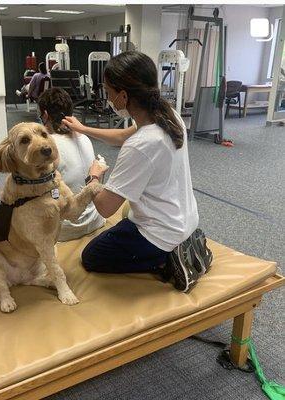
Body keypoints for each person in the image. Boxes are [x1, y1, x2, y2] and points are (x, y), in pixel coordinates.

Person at [62, 51, 213, 293]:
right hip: (185, 218)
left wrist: (94, 176)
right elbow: (122, 136)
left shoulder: (141, 145)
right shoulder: (167, 114)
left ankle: (167, 260)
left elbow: (104, 207)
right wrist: (83, 128)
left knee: (91, 256)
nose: (108, 98)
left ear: (123, 95)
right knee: (127, 213)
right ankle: (178, 244)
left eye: (109, 92)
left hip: (161, 233)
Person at [37, 87, 106, 242]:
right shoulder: (86, 138)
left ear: (45, 115)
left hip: (66, 230)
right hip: (94, 220)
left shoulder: (48, 147)